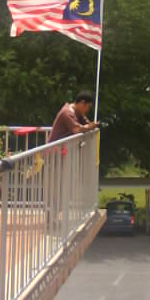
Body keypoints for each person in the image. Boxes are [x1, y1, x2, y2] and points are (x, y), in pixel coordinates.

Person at [45, 91, 99, 232]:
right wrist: (90, 127)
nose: (87, 110)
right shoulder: (67, 112)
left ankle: (55, 219)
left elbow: (85, 123)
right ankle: (51, 221)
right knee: (56, 189)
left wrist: (92, 125)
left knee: (63, 187)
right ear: (81, 103)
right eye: (87, 107)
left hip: (63, 155)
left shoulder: (77, 113)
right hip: (54, 156)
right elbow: (77, 129)